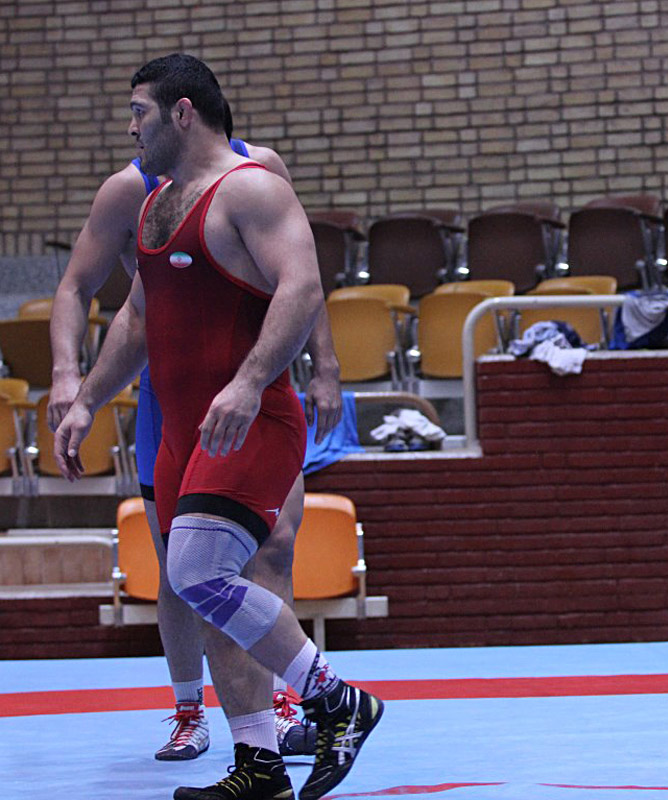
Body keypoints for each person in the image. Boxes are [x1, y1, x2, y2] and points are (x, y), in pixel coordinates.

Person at [55, 54, 382, 800]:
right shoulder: (154, 205)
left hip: (249, 420)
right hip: (181, 430)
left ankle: (336, 700)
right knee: (202, 589)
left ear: (182, 113)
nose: (130, 128)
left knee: (201, 572)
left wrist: (250, 380)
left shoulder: (253, 188)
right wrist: (87, 399)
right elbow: (137, 321)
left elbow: (302, 287)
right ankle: (258, 765)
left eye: (139, 112)